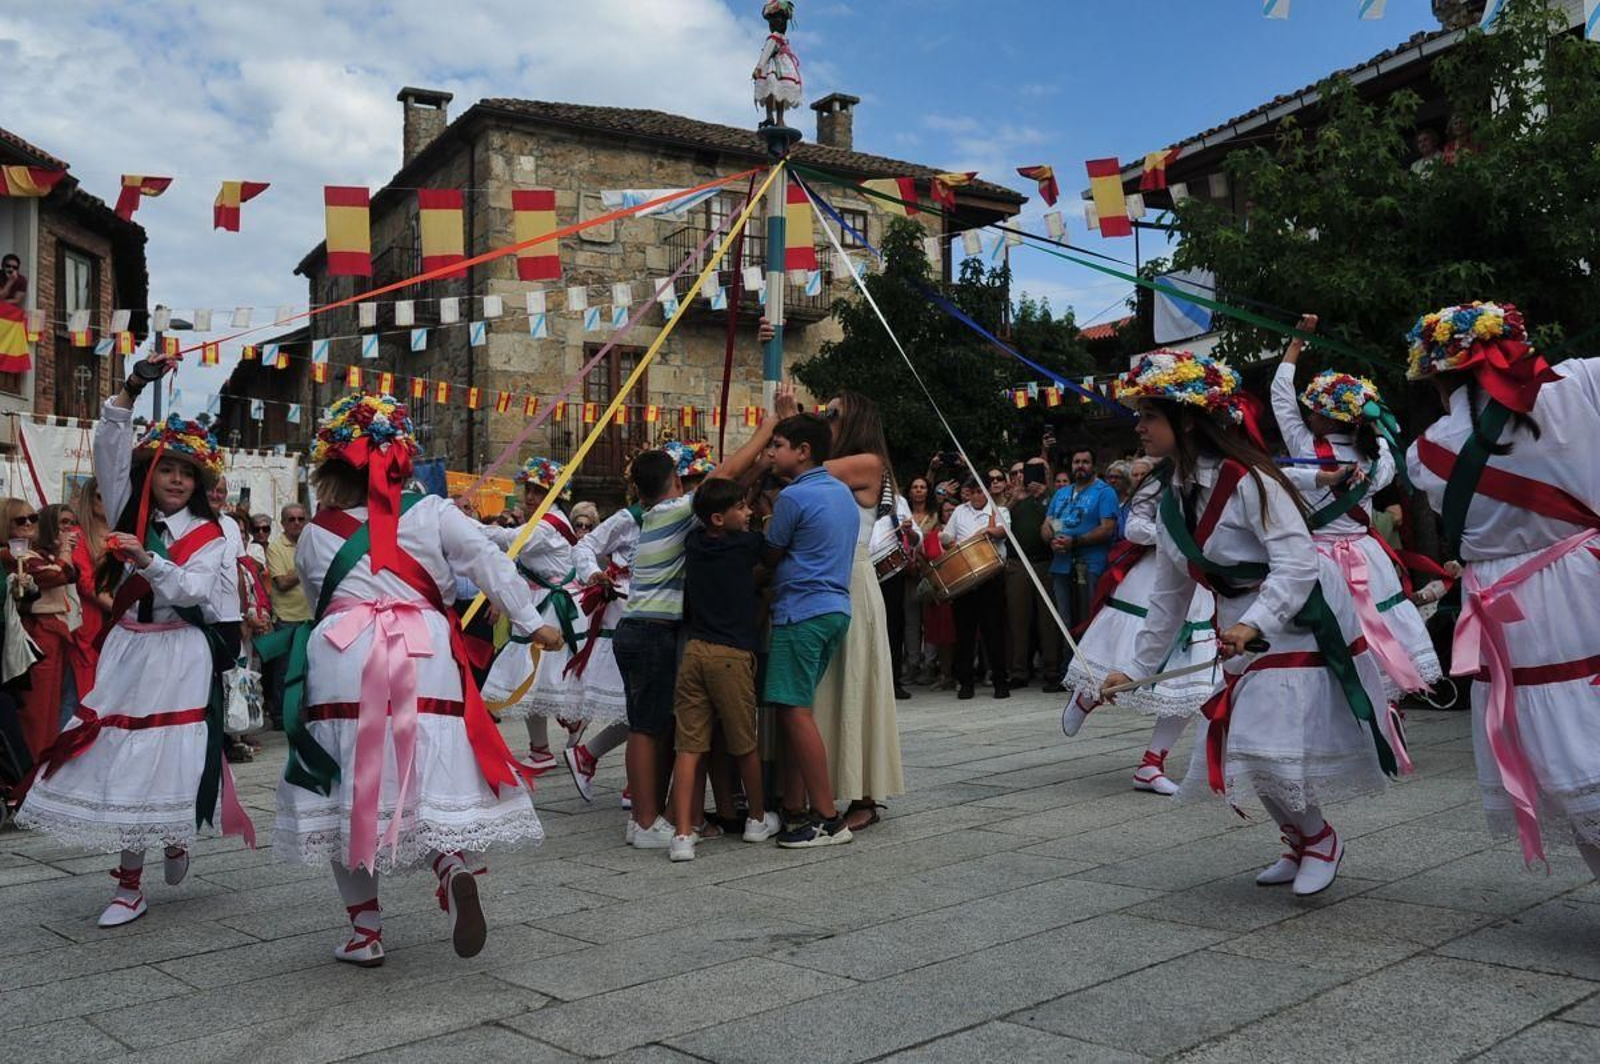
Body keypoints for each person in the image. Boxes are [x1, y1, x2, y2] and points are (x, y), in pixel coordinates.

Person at [269, 392, 560, 967]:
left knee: (347, 784)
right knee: (428, 771)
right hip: (425, 654)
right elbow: (488, 563)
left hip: (343, 657)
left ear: (330, 469)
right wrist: (531, 623)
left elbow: (315, 595)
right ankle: (450, 866)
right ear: (400, 460)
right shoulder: (433, 513)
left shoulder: (312, 534)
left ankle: (365, 932)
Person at [1099, 351, 1401, 898]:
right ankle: (1301, 840)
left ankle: (1321, 839)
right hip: (1242, 620)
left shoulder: (1251, 480)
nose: (1138, 426)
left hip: (1299, 613)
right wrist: (1132, 669)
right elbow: (1171, 591)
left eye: (1149, 415)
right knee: (1246, 741)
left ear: (1187, 420)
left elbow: (1298, 562)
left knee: (1263, 736)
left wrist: (1256, 622)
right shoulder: (1173, 494)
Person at [19, 353, 254, 927]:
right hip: (130, 643)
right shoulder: (128, 504)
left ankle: (171, 835)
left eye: (186, 473)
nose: (175, 479)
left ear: (199, 483)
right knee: (119, 749)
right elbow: (109, 445)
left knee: (165, 751)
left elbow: (197, 591)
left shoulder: (214, 533)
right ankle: (129, 884)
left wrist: (149, 562)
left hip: (179, 648)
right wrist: (129, 389)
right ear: (151, 472)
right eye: (166, 469)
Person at [1404, 301, 1600, 880]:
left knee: (1558, 750)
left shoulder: (1424, 456)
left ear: (1438, 375)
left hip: (1513, 610)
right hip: (1585, 575)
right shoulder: (1583, 383)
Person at [615, 427, 773, 848]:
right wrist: (769, 429)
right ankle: (648, 822)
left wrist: (758, 469)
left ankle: (643, 819)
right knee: (649, 729)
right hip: (653, 632)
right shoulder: (677, 511)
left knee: (641, 725)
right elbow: (727, 475)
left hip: (630, 628)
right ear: (676, 482)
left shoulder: (649, 516)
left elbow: (729, 487)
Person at [1272, 314, 1442, 705]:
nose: (1306, 414)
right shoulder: (1376, 457)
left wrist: (1297, 343)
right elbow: (1386, 444)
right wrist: (1373, 423)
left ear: (1321, 416)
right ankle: (1388, 706)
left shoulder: (1303, 446)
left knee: (1319, 637)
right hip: (1367, 557)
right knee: (1380, 627)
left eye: (1311, 409)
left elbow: (1280, 394)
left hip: (1314, 558)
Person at [783, 386, 905, 832]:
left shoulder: (867, 462)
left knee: (853, 682)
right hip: (821, 581)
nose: (825, 420)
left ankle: (863, 793)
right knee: (821, 691)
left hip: (850, 580)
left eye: (832, 415)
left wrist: (787, 426)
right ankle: (817, 787)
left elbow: (800, 473)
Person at [1061, 465, 1218, 795]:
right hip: (1155, 573)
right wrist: (1173, 536)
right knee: (1128, 647)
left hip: (1199, 581)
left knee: (1193, 683)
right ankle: (1088, 695)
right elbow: (1133, 526)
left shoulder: (1222, 472)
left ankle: (1151, 764)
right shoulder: (1160, 477)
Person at [665, 477, 780, 861]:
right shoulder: (747, 544)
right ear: (718, 517)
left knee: (690, 746)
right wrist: (766, 517)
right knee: (744, 742)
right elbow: (772, 556)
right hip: (731, 654)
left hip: (694, 652)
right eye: (742, 508)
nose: (749, 513)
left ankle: (683, 833)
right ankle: (758, 818)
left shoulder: (694, 543)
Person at [763, 411, 859, 848]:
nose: (770, 452)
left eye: (777, 445)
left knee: (794, 712)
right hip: (834, 608)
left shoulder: (793, 499)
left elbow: (770, 554)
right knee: (797, 707)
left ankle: (827, 817)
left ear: (802, 452)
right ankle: (796, 806)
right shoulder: (841, 493)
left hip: (800, 611)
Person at [479, 457, 587, 771]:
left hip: (551, 607)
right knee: (530, 678)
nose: (530, 496)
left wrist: (463, 526)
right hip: (536, 603)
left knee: (541, 674)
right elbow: (517, 560)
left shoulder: (547, 523)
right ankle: (542, 749)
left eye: (539, 490)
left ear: (555, 494)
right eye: (529, 488)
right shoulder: (541, 520)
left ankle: (571, 722)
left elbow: (512, 541)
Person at [562, 472, 648, 803]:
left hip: (657, 610)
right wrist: (594, 574)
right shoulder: (629, 519)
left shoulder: (681, 513)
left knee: (642, 704)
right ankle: (624, 777)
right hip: (628, 610)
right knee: (638, 702)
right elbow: (585, 547)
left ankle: (596, 760)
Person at [1, 499, 76, 761]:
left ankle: (42, 760)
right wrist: (65, 552)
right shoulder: (11, 554)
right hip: (35, 630)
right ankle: (31, 765)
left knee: (51, 704)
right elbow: (58, 575)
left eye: (33, 518)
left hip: (52, 629)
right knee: (36, 707)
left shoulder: (37, 553)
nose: (30, 524)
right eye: (20, 520)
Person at [943, 476, 1011, 700]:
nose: (976, 495)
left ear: (987, 491)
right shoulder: (960, 511)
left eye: (980, 491)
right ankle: (966, 683)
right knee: (965, 634)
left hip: (991, 577)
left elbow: (1004, 532)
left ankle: (1000, 682)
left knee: (994, 632)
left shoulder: (999, 510)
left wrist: (989, 532)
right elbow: (947, 537)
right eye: (972, 491)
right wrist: (946, 540)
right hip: (964, 579)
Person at [1045, 446, 1120, 646]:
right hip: (1061, 565)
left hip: (1090, 566)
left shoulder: (1105, 492)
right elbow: (1047, 523)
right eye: (1076, 462)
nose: (1080, 466)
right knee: (1063, 620)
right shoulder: (1062, 493)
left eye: (1085, 462)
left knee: (1089, 619)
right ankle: (1067, 668)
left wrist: (1075, 541)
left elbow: (1107, 528)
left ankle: (1088, 670)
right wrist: (1052, 539)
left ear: (1093, 466)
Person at [1005, 457, 1062, 691]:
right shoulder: (1013, 499)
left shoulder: (1055, 497)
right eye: (1020, 472)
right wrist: (1014, 500)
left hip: (1045, 563)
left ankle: (1052, 670)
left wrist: (1044, 497)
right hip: (1017, 564)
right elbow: (998, 521)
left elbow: (1059, 525)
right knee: (1017, 619)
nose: (1024, 477)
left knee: (1048, 620)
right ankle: (1019, 671)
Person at [67, 478, 112, 727]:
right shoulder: (78, 536)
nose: (107, 502)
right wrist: (122, 608)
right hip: (92, 625)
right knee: (83, 699)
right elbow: (86, 583)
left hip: (123, 627)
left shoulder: (126, 533)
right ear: (89, 500)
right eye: (100, 496)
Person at [263, 503, 311, 728]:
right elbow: (281, 583)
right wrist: (305, 565)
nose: (297, 524)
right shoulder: (275, 547)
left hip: (311, 617)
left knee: (309, 670)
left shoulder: (312, 544)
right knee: (284, 671)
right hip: (287, 618)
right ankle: (281, 716)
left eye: (301, 519)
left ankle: (305, 712)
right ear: (282, 523)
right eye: (291, 519)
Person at [903, 476, 938, 685]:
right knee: (911, 621)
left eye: (923, 487)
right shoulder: (902, 514)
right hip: (907, 573)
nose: (918, 490)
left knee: (930, 620)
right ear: (909, 492)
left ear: (928, 491)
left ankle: (930, 665)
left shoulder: (935, 515)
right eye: (915, 487)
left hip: (929, 571)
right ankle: (912, 663)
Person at [752, 0, 802, 128]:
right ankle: (777, 119)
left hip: (777, 67)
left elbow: (766, 53)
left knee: (774, 91)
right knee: (776, 92)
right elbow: (768, 52)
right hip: (780, 67)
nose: (780, 22)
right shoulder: (779, 38)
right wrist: (759, 67)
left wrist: (758, 68)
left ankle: (772, 117)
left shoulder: (776, 37)